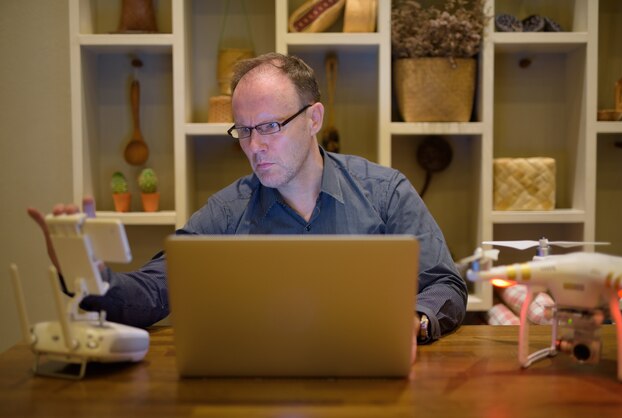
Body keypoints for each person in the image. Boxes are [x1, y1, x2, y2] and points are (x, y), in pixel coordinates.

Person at [28, 52, 467, 344]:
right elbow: (155, 289)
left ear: (314, 118)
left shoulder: (385, 192)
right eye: (244, 130)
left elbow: (445, 284)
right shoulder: (227, 211)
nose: (255, 146)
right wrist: (88, 274)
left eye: (270, 126)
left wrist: (416, 320)